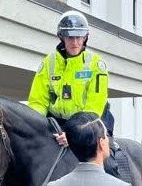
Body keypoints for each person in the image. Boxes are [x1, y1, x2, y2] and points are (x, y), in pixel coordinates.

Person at [27, 10, 109, 149]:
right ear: (62, 37)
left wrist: (73, 132)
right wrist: (34, 124)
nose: (75, 42)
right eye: (70, 37)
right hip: (56, 124)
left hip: (91, 123)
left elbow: (94, 105)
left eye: (79, 37)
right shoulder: (49, 63)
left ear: (85, 37)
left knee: (109, 161)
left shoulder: (96, 64)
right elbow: (38, 102)